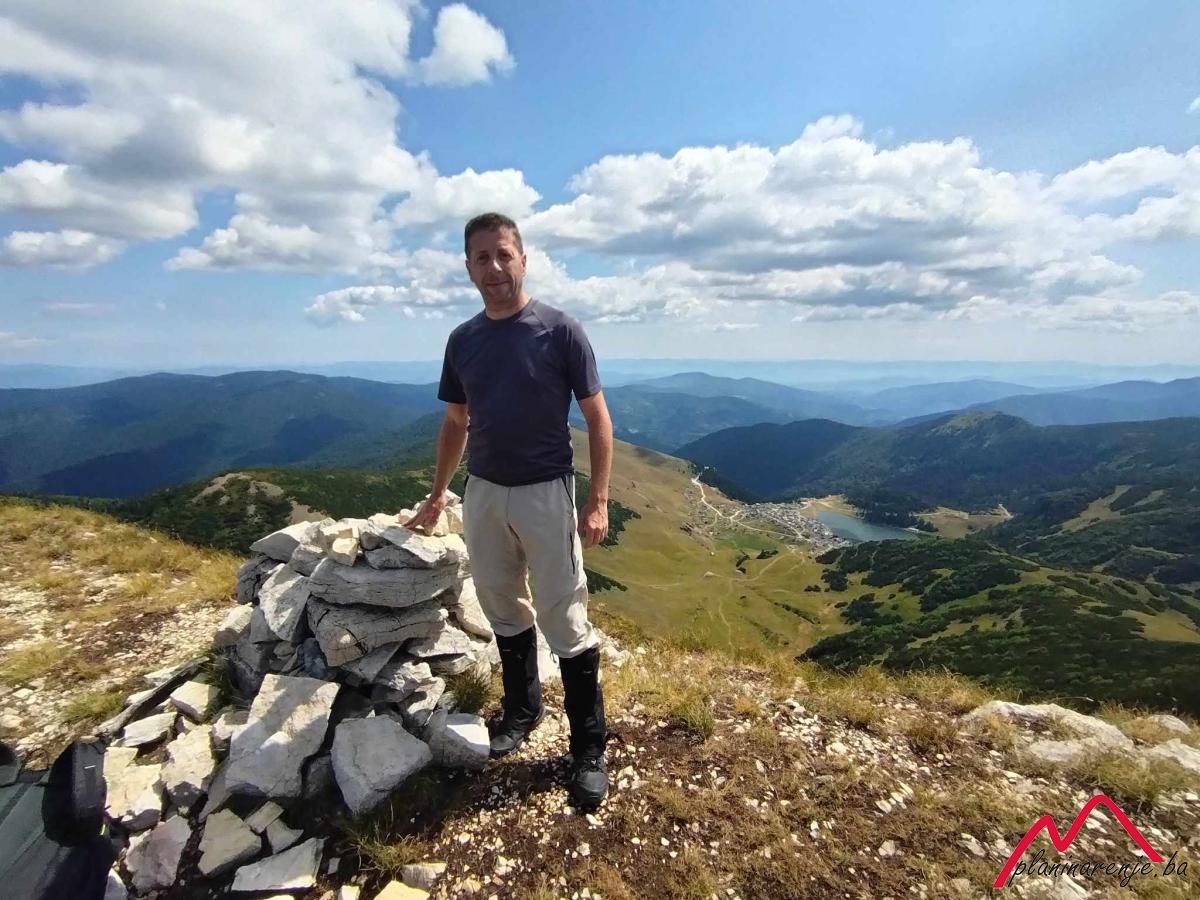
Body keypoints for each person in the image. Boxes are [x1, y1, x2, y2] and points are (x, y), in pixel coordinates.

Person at [404, 212, 615, 809]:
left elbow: (598, 418)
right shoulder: (463, 340)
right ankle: (523, 710)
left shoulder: (560, 330)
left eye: (503, 254)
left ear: (523, 259)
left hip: (547, 492)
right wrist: (439, 492)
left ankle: (588, 747)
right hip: (484, 490)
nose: (494, 267)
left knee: (564, 616)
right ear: (468, 267)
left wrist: (597, 500)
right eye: (482, 258)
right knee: (499, 601)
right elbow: (456, 422)